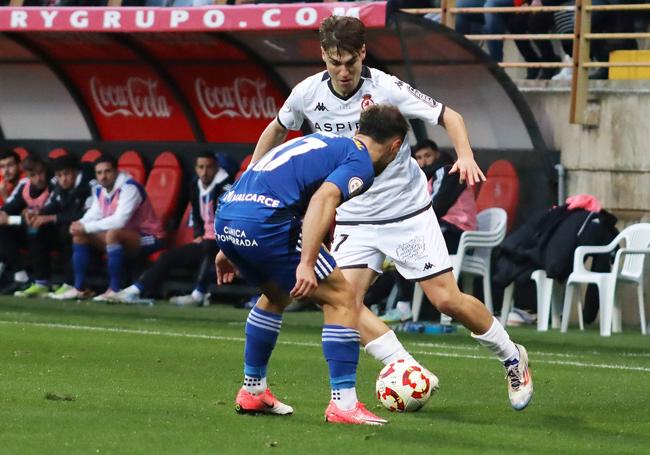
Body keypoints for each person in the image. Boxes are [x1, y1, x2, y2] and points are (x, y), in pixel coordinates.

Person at [249, 15, 533, 411]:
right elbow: (276, 130)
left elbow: (451, 116)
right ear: (324, 57)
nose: (343, 71)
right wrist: (251, 178)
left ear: (363, 53)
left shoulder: (384, 88)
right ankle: (402, 364)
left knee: (447, 300)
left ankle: (511, 356)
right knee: (340, 300)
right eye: (334, 62)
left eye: (350, 61)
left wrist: (465, 155)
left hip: (406, 212)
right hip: (354, 214)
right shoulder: (306, 94)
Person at [215, 104, 408, 425]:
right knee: (343, 298)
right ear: (395, 146)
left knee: (276, 294)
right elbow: (323, 200)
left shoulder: (322, 142)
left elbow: (260, 168)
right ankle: (343, 404)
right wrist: (307, 262)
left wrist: (227, 245)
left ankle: (253, 390)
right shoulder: (361, 162)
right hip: (266, 223)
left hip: (231, 214)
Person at [114, 152, 232, 305]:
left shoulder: (227, 187)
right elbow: (196, 214)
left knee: (210, 248)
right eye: (201, 167)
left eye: (208, 167)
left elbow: (230, 218)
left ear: (216, 168)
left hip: (225, 242)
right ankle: (137, 290)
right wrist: (198, 233)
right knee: (168, 256)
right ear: (196, 168)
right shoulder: (195, 186)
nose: (204, 172)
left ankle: (199, 295)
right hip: (206, 240)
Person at [51, 155, 164, 301]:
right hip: (122, 238)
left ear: (116, 171)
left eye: (107, 171)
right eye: (99, 173)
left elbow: (119, 221)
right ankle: (79, 288)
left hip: (150, 237)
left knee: (112, 234)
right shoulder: (100, 190)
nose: (103, 176)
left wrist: (86, 226)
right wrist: (79, 224)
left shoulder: (129, 188)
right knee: (80, 234)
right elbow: (94, 213)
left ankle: (114, 290)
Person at [12, 155, 93, 297]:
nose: (63, 179)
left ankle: (71, 283)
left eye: (66, 174)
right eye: (59, 175)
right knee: (35, 228)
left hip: (91, 232)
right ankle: (41, 283)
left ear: (76, 172)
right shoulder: (58, 184)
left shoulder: (90, 185)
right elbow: (53, 204)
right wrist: (38, 213)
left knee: (68, 230)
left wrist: (51, 218)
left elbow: (87, 215)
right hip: (66, 228)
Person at [0, 155, 50, 293]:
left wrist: (10, 218)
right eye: (33, 175)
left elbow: (44, 213)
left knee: (34, 229)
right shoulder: (26, 186)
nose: (38, 178)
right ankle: (20, 276)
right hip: (28, 226)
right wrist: (4, 214)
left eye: (40, 173)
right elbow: (10, 207)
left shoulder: (52, 185)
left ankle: (41, 282)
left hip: (52, 229)